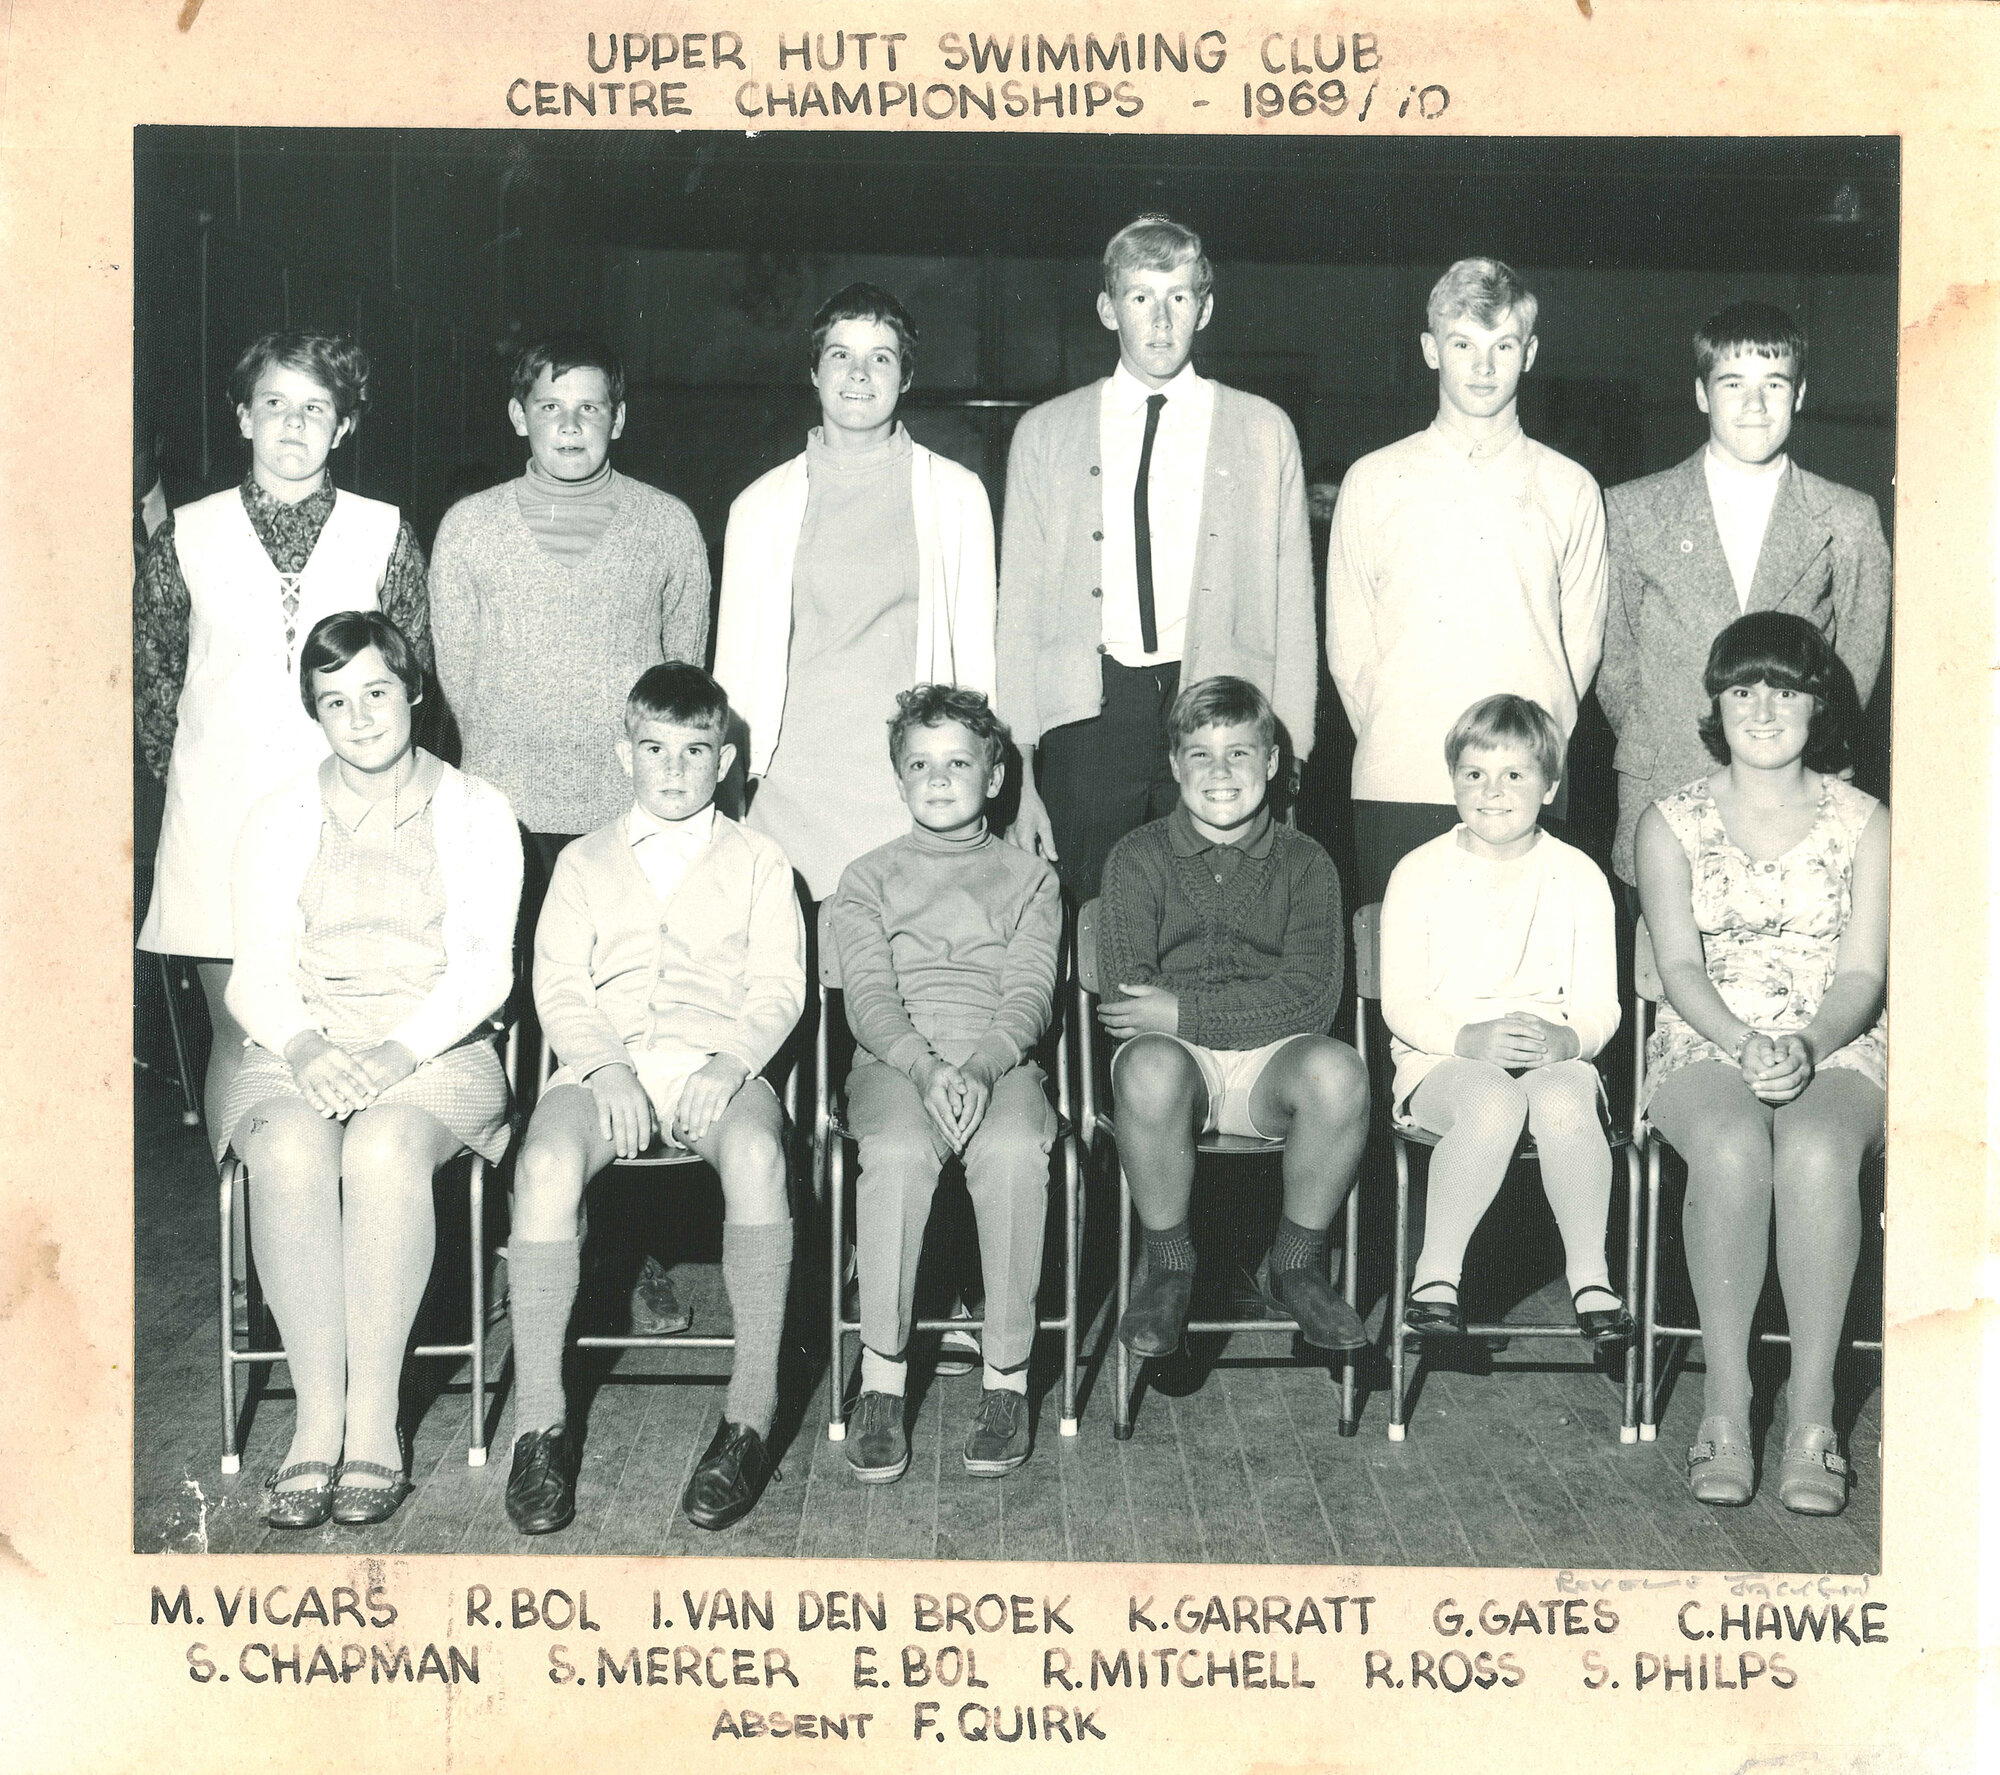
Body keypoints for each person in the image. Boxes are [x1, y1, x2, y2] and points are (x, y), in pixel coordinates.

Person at [429, 333, 711, 1337]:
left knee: (626, 1030)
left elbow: (686, 682)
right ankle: (527, 1238)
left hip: (625, 825)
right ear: (518, 416)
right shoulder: (468, 529)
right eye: (551, 406)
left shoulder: (666, 525)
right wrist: (508, 779)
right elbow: (457, 685)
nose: (571, 426)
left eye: (590, 407)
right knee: (509, 1037)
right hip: (504, 825)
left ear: (619, 416)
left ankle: (631, 1253)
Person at [223, 611, 520, 1530]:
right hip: (296, 1041)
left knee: (386, 1149)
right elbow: (257, 971)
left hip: (438, 1046)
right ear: (315, 712)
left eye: (376, 692)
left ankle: (374, 1422)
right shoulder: (278, 815)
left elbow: (484, 971)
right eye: (334, 700)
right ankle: (315, 1418)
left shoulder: (477, 808)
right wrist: (308, 1048)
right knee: (286, 1153)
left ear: (415, 691)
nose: (358, 718)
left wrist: (392, 1055)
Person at [502, 664, 805, 1537]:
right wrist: (605, 1069)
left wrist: (733, 1061)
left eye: (696, 751)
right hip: (606, 1065)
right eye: (655, 749)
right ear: (622, 753)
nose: (674, 770)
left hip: (718, 1061)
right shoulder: (582, 861)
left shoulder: (759, 859)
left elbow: (781, 984)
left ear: (726, 757)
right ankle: (541, 1425)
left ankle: (749, 1415)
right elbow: (558, 986)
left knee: (755, 1153)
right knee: (549, 1162)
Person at [137, 331, 431, 1136]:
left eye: (315, 409)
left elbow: (414, 682)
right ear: (242, 418)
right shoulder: (185, 536)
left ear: (344, 428)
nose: (293, 426)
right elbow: (157, 688)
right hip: (217, 821)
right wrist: (206, 777)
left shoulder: (384, 533)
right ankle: (250, 1259)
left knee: (343, 1029)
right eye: (274, 405)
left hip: (349, 820)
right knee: (242, 1030)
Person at [1636, 613, 1887, 1516]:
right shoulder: (1669, 819)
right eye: (1743, 688)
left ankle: (1815, 1414)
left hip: (1839, 1037)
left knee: (1817, 1152)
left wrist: (1811, 1043)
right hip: (1707, 1034)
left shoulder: (1865, 820)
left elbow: (1862, 970)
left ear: (1818, 702)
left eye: (1784, 688)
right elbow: (1677, 968)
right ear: (1716, 701)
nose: (1764, 708)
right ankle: (1729, 1406)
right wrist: (1744, 1041)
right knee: (1736, 1145)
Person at [997, 215, 1317, 904]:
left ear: (1206, 306)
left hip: (1221, 703)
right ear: (1108, 308)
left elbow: (1294, 606)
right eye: (1141, 297)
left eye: (1179, 296)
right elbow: (1017, 611)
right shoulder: (1044, 433)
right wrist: (1023, 770)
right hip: (1090, 713)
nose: (1162, 320)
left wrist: (1290, 755)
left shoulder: (1263, 430)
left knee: (1220, 912)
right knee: (1090, 915)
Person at [1095, 676, 1371, 1359]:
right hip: (1171, 1066)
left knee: (1339, 1070)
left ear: (1273, 762)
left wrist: (1183, 1007)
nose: (1221, 773)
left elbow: (1310, 998)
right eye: (1201, 755)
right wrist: (1175, 1016)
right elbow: (1134, 1001)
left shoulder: (1308, 863)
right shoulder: (1136, 858)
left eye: (1240, 754)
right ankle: (1169, 1264)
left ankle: (1296, 1261)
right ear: (1174, 765)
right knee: (1152, 1064)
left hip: (1269, 1067)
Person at [827, 686, 1062, 1483]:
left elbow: (1029, 995)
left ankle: (1007, 1380)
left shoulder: (1032, 879)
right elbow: (868, 998)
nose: (938, 778)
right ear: (898, 780)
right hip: (897, 1064)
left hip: (1000, 1060)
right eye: (919, 764)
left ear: (994, 778)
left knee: (1015, 1149)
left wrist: (981, 1066)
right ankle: (884, 1377)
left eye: (958, 762)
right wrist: (928, 1069)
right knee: (892, 1149)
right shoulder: (865, 877)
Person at [1326, 258, 1608, 907]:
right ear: (1431, 349)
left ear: (1529, 352)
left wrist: (1528, 764)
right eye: (1463, 345)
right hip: (1400, 777)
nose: (1483, 367)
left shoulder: (1569, 487)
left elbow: (1580, 651)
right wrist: (1404, 732)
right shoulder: (1374, 479)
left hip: (1525, 787)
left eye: (1502, 345)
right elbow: (1349, 650)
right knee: (1408, 993)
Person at [713, 281, 998, 903]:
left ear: (906, 376)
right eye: (840, 355)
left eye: (882, 357)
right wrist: (732, 787)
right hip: (790, 787)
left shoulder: (957, 494)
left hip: (907, 780)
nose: (859, 374)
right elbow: (733, 669)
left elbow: (978, 665)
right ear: (814, 372)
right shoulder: (757, 507)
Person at [1600, 301, 1892, 885]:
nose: (1754, 406)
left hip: (1799, 799)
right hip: (1665, 787)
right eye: (1733, 383)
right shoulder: (1630, 511)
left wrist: (1796, 753)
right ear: (1703, 394)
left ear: (1800, 394)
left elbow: (1855, 668)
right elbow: (1616, 665)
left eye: (1774, 384)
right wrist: (1666, 734)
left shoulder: (1848, 518)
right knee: (1658, 974)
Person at [1379, 695, 1630, 1348]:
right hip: (1443, 1063)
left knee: (1566, 1100)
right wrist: (1465, 1040)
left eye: (1514, 774)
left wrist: (1567, 1039)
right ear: (1454, 780)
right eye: (1474, 774)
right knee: (1491, 1098)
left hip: (1551, 1058)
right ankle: (1434, 1283)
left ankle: (1591, 1280)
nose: (1492, 791)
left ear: (1549, 784)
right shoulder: (1419, 872)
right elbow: (1400, 1003)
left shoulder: (1578, 876)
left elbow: (1604, 1004)